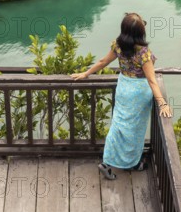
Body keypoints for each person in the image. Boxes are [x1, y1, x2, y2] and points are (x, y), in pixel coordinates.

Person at [70, 12, 172, 180]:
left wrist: (85, 73)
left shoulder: (117, 45)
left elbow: (103, 62)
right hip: (139, 92)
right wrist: (162, 104)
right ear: (140, 32)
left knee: (119, 125)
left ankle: (107, 161)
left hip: (124, 88)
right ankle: (133, 162)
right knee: (135, 129)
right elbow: (152, 81)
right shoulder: (143, 53)